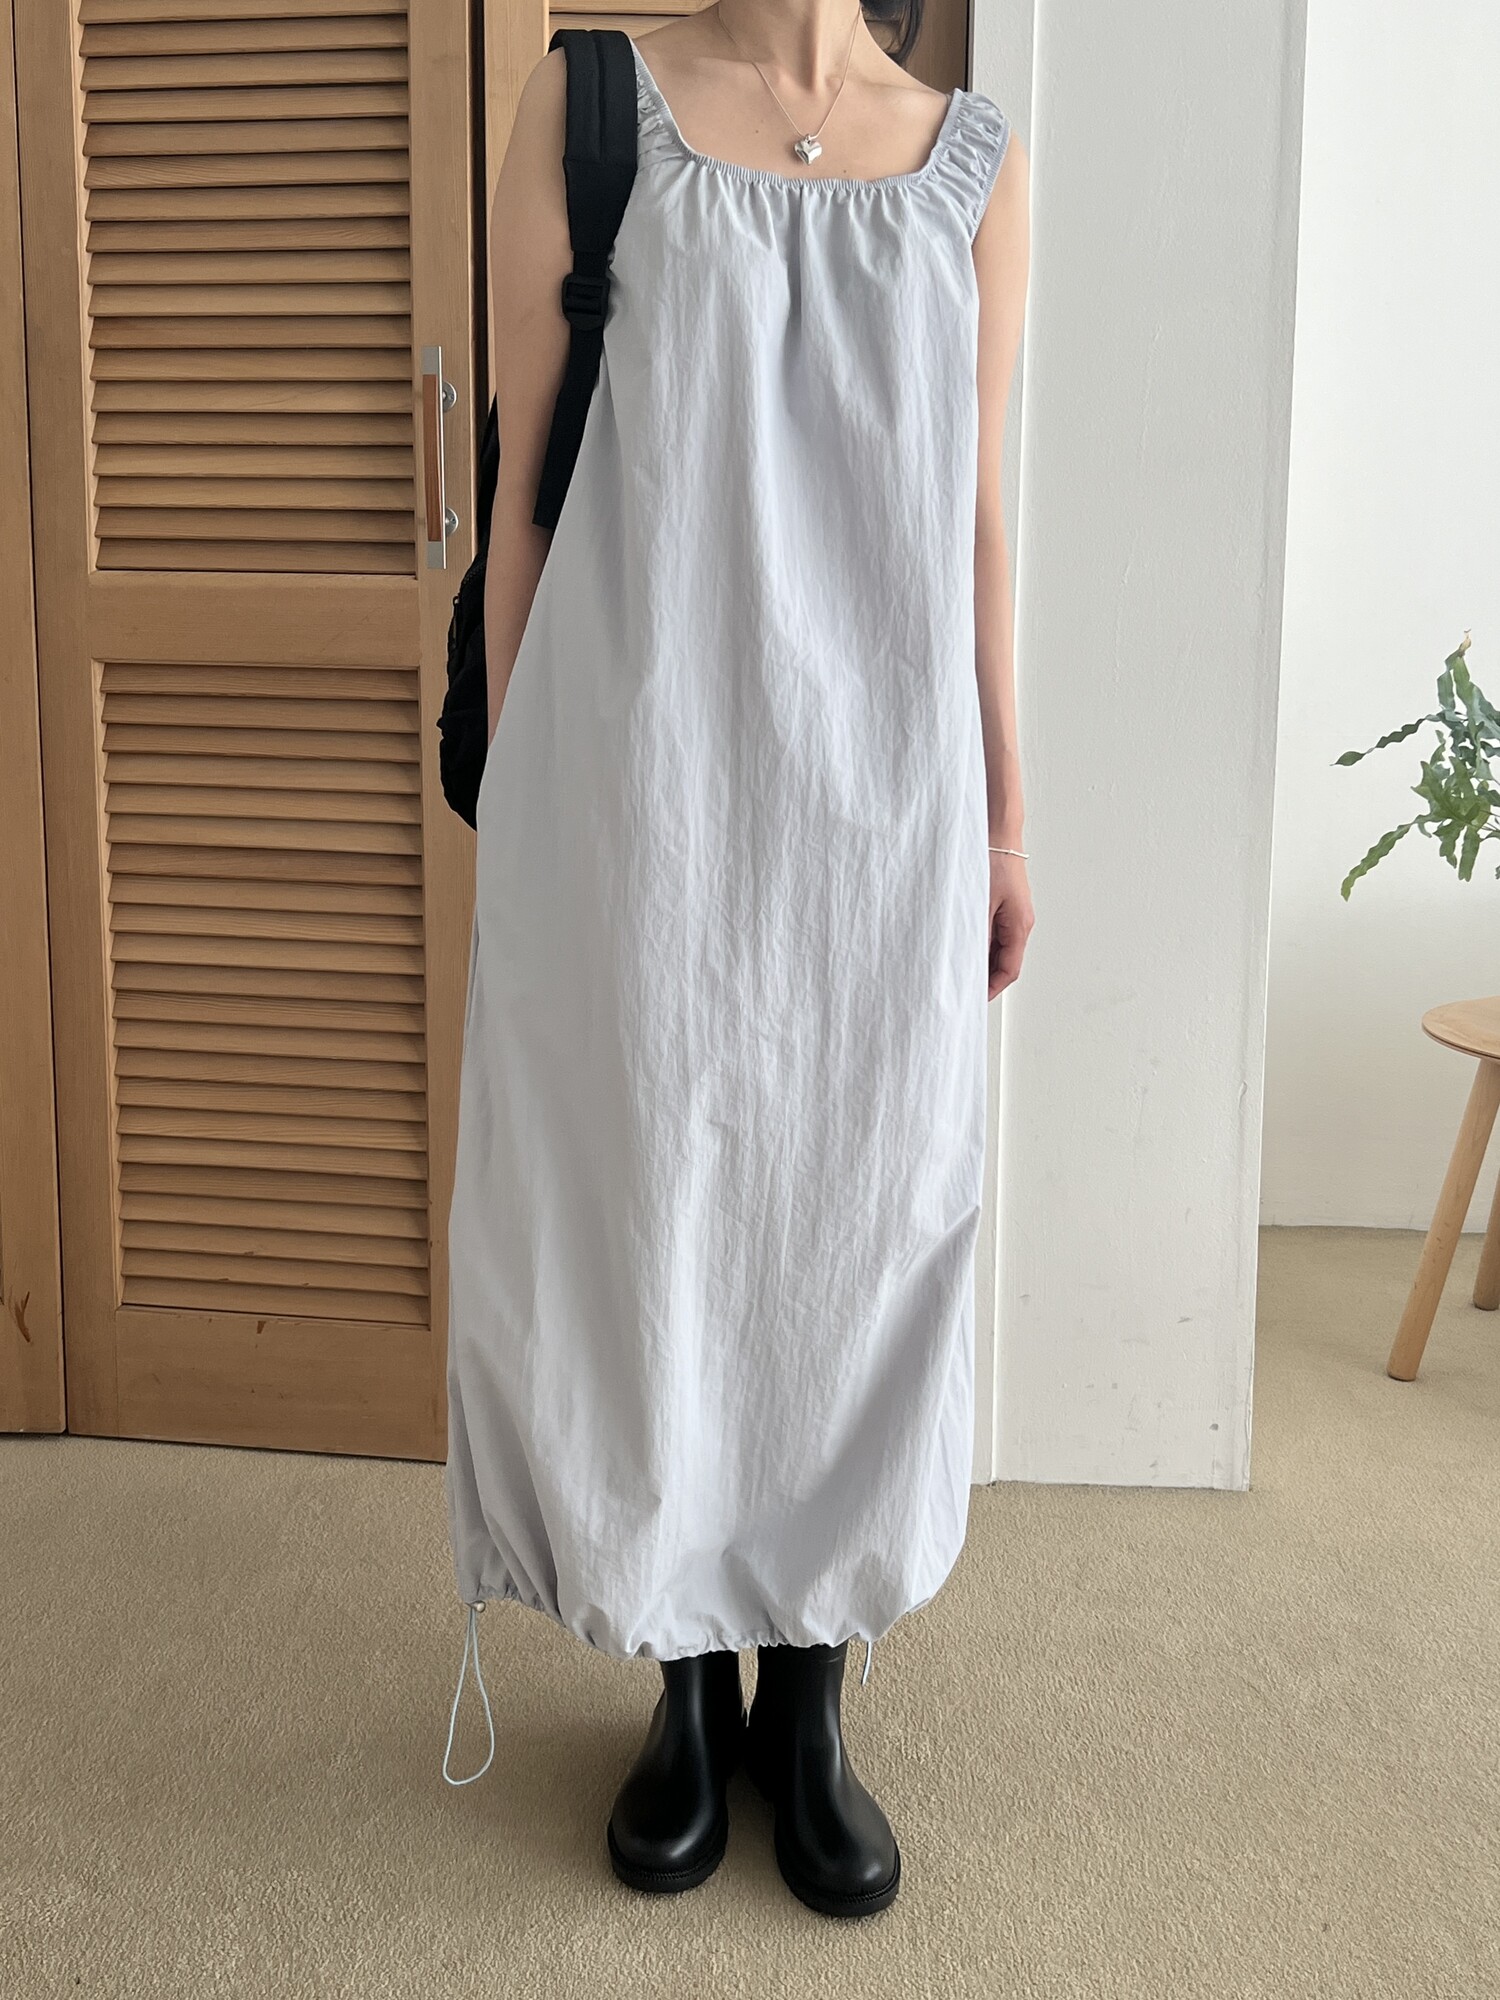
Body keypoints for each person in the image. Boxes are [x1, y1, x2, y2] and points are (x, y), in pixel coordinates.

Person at [442, 0, 1032, 1922]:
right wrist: (525, 796)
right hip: (648, 794)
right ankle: (682, 1685)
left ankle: (811, 1702)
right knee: (654, 1227)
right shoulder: (592, 102)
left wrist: (1008, 819)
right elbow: (522, 491)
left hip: (885, 810)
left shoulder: (974, 161)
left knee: (860, 1227)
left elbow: (974, 510)